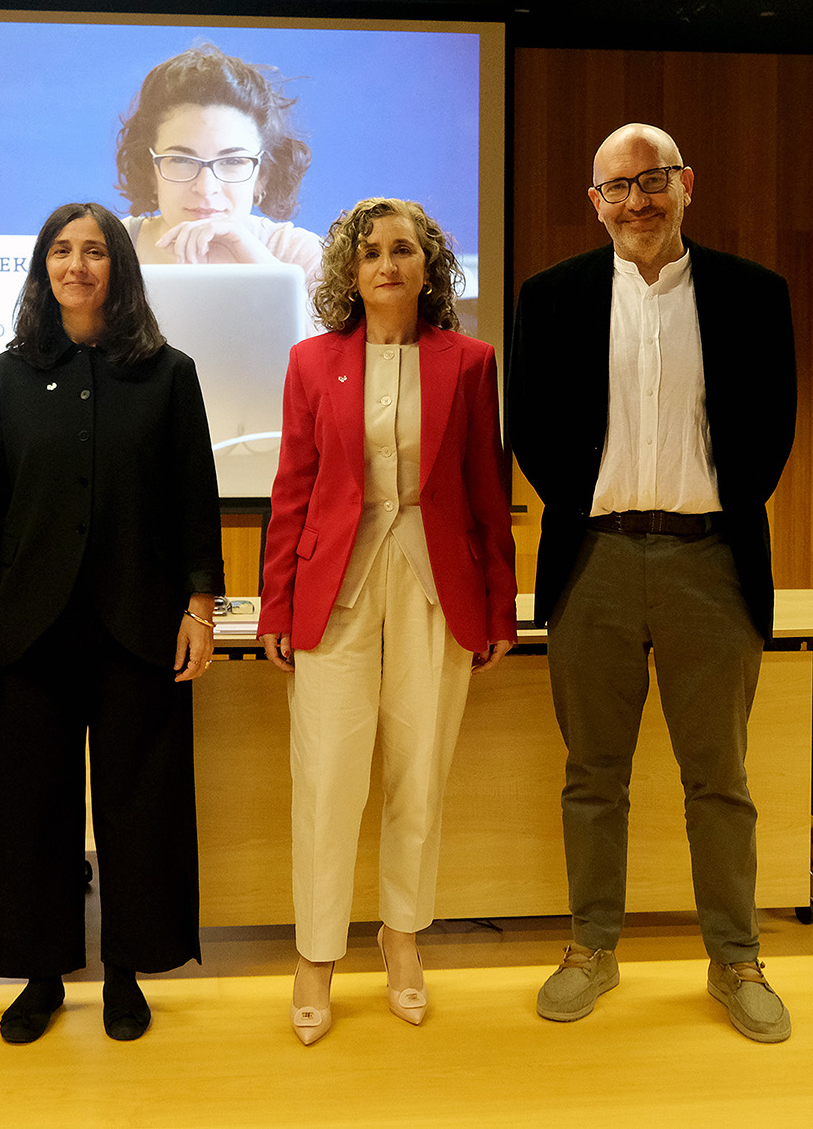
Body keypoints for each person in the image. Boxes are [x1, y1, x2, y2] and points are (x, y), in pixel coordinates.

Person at [505, 123, 798, 1043]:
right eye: (618, 187)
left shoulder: (754, 294)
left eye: (653, 180)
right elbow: (533, 427)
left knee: (720, 777)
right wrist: (595, 502)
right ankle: (591, 946)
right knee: (594, 774)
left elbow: (772, 429)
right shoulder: (550, 297)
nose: (638, 201)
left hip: (710, 562)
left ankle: (736, 958)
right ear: (594, 202)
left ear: (687, 184)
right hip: (592, 561)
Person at [0, 202, 225, 1045]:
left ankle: (125, 971)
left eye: (96, 251)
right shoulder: (7, 375)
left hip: (139, 622)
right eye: (62, 251)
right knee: (30, 805)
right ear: (43, 268)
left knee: (140, 806)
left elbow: (194, 497)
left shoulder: (168, 373)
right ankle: (41, 976)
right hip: (31, 625)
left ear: (120, 269)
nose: (77, 265)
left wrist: (201, 607)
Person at [259, 197, 518, 1045]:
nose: (386, 264)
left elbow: (486, 490)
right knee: (328, 777)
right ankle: (316, 953)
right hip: (332, 588)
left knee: (418, 772)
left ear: (427, 264)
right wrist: (274, 602)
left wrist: (500, 607)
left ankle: (402, 938)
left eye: (402, 249)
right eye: (369, 251)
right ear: (349, 269)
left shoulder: (469, 362)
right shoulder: (311, 362)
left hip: (436, 587)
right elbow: (292, 489)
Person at [113, 44, 323, 288]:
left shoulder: (300, 254)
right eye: (181, 160)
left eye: (233, 161)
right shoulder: (110, 249)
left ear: (262, 176)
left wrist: (264, 268)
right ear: (150, 172)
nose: (206, 188)